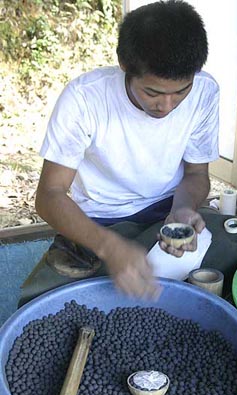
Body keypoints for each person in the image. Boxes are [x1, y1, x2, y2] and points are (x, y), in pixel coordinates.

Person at [19, 0, 220, 307]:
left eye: (181, 91)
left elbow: (196, 174)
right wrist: (109, 247)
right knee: (41, 304)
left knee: (235, 265)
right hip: (97, 221)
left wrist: (183, 208)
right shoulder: (84, 99)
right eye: (152, 93)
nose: (166, 106)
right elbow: (49, 194)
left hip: (165, 212)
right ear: (125, 67)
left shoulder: (206, 92)